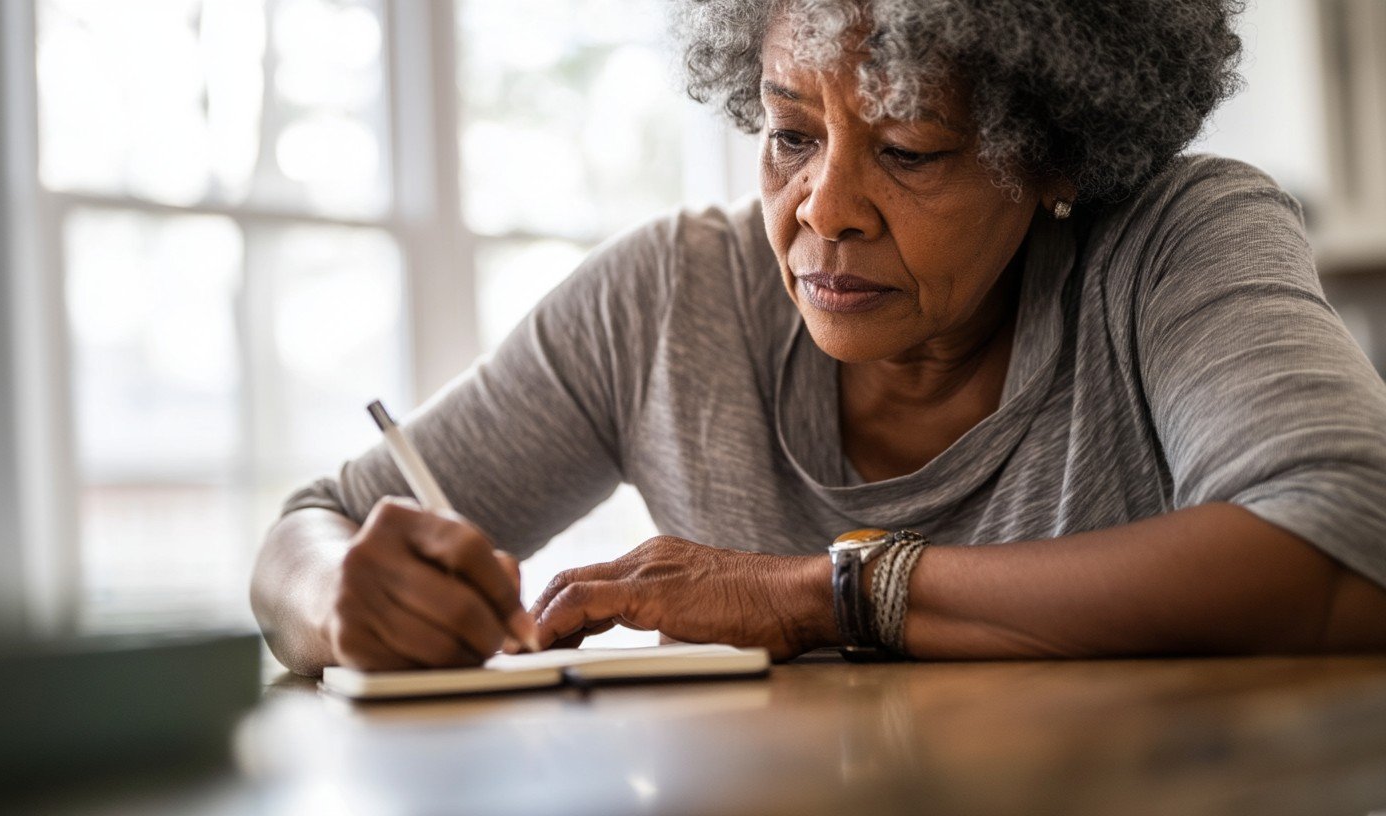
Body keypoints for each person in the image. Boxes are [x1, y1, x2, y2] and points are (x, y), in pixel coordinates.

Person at [252, 0, 1386, 675]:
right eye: (791, 134)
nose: (822, 209)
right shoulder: (667, 300)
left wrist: (822, 593)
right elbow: (309, 528)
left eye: (909, 150)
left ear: (1055, 157)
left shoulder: (1174, 240)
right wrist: (344, 599)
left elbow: (1343, 546)